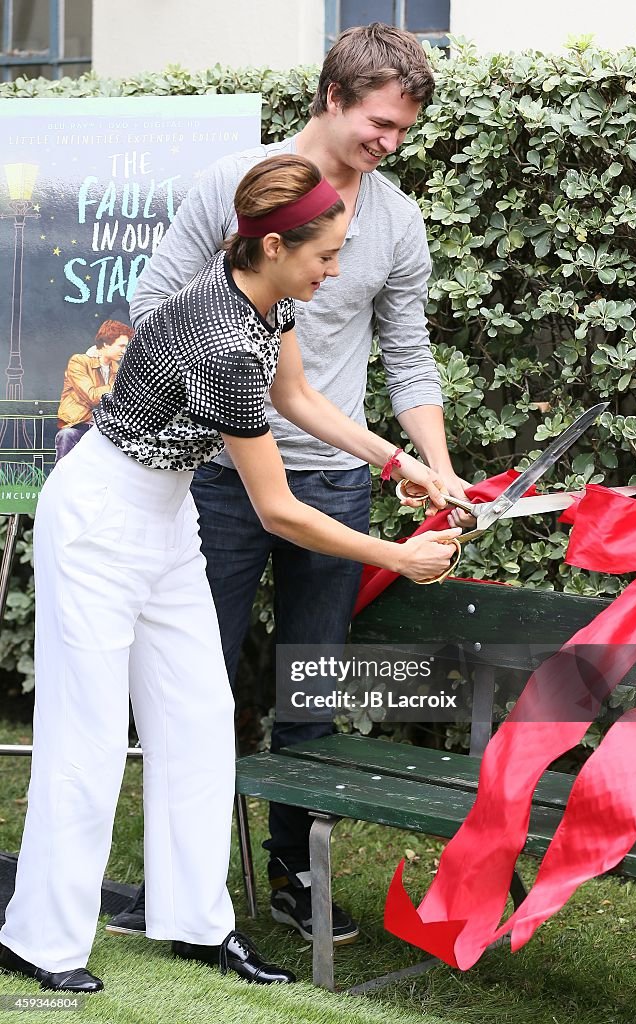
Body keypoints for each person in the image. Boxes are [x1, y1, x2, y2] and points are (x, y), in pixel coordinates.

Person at [0, 154, 460, 994]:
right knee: (90, 734)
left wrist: (397, 462)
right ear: (276, 244)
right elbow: (279, 509)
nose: (335, 270)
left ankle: (196, 924)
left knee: (202, 717)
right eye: (325, 256)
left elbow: (303, 401)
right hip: (100, 518)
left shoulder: (264, 294)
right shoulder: (221, 341)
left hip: (167, 519)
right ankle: (40, 938)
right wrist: (398, 556)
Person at [109, 22, 470, 948]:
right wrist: (234, 388)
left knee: (311, 691)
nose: (389, 144)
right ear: (332, 98)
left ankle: (292, 885)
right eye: (379, 123)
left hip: (338, 480)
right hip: (224, 484)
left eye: (404, 131)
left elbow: (407, 355)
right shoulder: (229, 189)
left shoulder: (394, 220)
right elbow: (153, 314)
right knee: (197, 684)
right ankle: (176, 882)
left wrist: (430, 467)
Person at [54, 320, 133, 461]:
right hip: (79, 425)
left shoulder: (117, 370)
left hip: (105, 428)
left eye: (126, 346)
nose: (124, 351)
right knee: (66, 435)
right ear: (106, 343)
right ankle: (62, 479)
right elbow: (92, 396)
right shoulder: (79, 362)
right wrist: (121, 385)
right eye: (121, 346)